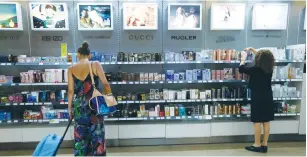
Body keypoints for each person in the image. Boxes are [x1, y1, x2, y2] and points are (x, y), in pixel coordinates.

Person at [67, 42, 112, 156]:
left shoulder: (71, 68)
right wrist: (109, 98)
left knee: (81, 138)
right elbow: (105, 84)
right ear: (89, 55)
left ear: (78, 54)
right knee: (97, 136)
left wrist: (69, 109)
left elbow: (71, 91)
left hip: (79, 107)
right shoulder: (95, 64)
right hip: (94, 104)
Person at [239, 47, 275, 153]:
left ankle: (257, 144)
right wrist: (253, 50)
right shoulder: (269, 68)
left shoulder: (255, 69)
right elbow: (264, 57)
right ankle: (264, 145)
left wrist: (243, 58)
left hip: (257, 96)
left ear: (258, 59)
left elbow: (241, 69)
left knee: (257, 121)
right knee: (266, 121)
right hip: (268, 96)